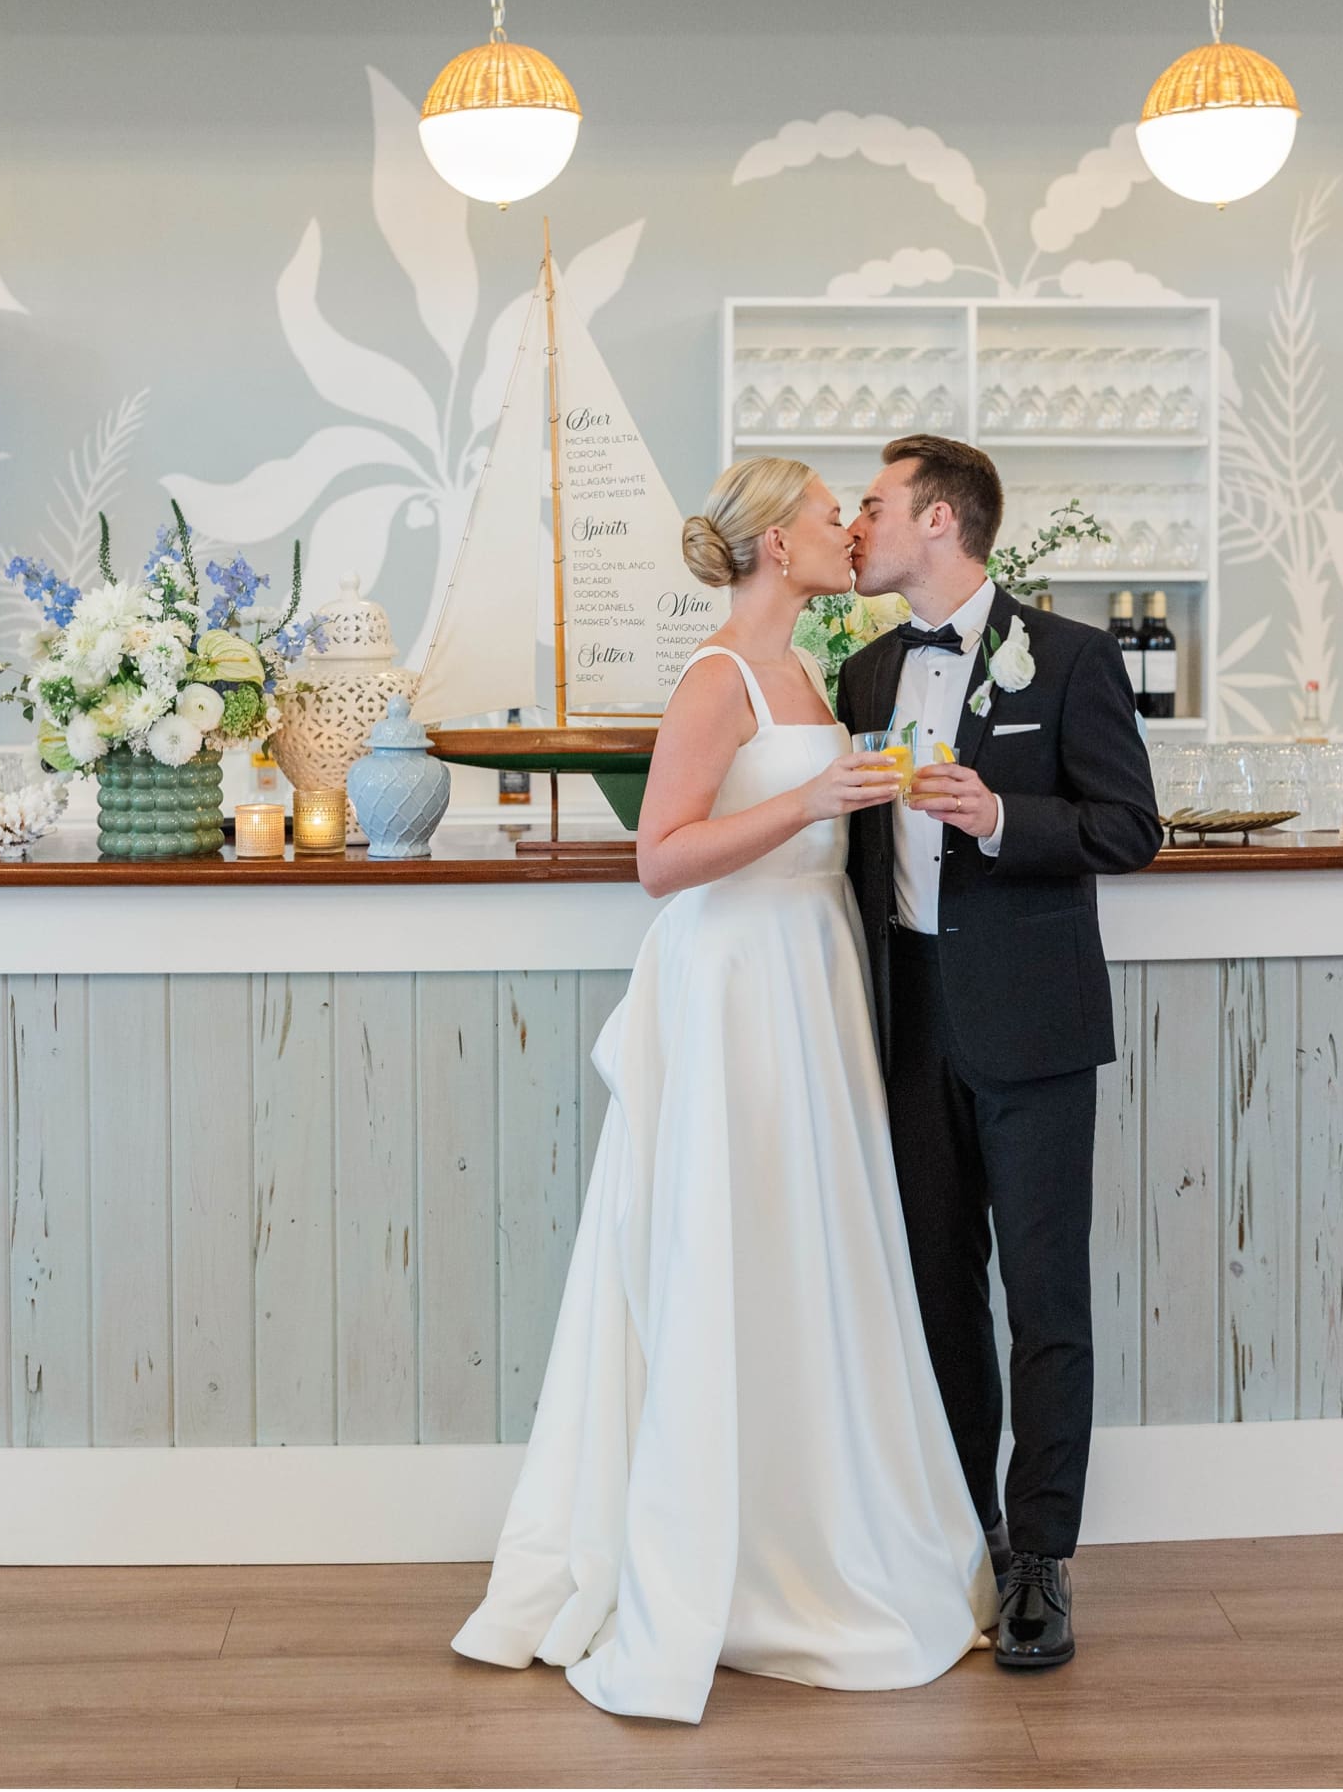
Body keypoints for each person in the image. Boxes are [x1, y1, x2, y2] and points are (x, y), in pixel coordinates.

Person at [451, 457, 998, 1723]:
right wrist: (811, 797)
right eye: (825, 516)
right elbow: (661, 859)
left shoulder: (816, 669)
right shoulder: (718, 677)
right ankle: (723, 1560)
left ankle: (819, 1520)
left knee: (812, 1255)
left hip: (812, 975)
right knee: (723, 1246)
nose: (846, 529)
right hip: (734, 983)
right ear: (769, 546)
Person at [839, 435, 1162, 1672]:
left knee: (1043, 1299)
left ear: (935, 520)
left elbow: (1129, 827)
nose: (857, 524)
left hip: (1030, 1027)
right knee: (933, 1293)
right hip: (905, 1017)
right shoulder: (864, 673)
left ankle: (1039, 1559)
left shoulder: (1069, 656)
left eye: (872, 505)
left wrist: (999, 816)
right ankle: (955, 1530)